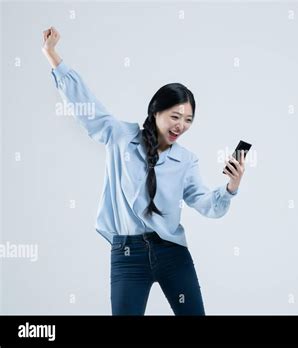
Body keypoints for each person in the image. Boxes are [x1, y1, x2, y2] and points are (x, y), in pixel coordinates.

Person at [42, 26, 246, 315]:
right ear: (155, 112)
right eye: (175, 116)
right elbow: (84, 105)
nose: (181, 126)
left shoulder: (186, 160)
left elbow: (207, 205)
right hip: (128, 254)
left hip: (172, 252)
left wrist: (230, 188)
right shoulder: (120, 137)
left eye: (188, 120)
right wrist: (53, 56)